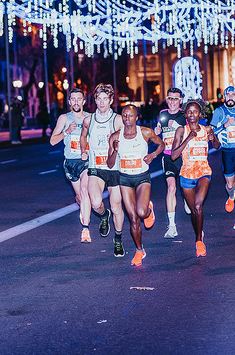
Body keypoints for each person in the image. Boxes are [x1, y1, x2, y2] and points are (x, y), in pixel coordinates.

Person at [107, 105, 164, 265]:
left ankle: (149, 211)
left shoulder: (145, 132)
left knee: (141, 211)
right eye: (124, 115)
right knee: (133, 218)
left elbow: (161, 145)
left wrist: (152, 155)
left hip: (142, 178)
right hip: (125, 179)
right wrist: (115, 151)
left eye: (130, 115)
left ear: (136, 117)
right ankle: (140, 250)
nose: (127, 119)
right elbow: (110, 164)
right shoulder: (115, 137)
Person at [80, 83, 125, 257]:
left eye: (105, 99)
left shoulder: (118, 120)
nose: (101, 102)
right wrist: (84, 150)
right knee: (96, 203)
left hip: (114, 168)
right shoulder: (88, 120)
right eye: (98, 99)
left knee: (116, 207)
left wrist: (116, 143)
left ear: (111, 100)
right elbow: (83, 136)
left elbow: (130, 136)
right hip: (96, 167)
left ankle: (118, 240)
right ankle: (103, 216)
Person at [171, 99, 220, 257]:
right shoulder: (181, 131)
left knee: (198, 206)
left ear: (200, 114)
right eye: (189, 111)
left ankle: (199, 240)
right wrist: (188, 139)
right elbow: (173, 156)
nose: (192, 114)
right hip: (186, 173)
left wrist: (213, 138)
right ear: (185, 114)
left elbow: (217, 146)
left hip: (203, 171)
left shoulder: (206, 129)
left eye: (195, 112)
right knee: (194, 211)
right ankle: (199, 231)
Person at [50, 88, 92, 243]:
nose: (76, 102)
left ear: (84, 101)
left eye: (78, 99)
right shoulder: (64, 118)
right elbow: (53, 141)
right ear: (69, 102)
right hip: (70, 162)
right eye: (73, 99)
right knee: (81, 197)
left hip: (86, 161)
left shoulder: (90, 117)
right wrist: (67, 131)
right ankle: (83, 208)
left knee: (84, 190)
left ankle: (85, 230)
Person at [210, 86, 235, 231]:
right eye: (228, 94)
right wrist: (225, 125)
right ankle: (231, 195)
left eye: (233, 94)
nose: (231, 96)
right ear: (225, 97)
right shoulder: (219, 112)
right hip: (227, 152)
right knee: (231, 185)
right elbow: (211, 133)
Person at [154, 87, 187, 238]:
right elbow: (159, 133)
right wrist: (156, 133)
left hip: (184, 156)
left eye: (176, 99)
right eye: (170, 98)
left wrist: (178, 127)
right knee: (171, 187)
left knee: (185, 188)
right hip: (167, 157)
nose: (173, 102)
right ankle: (172, 226)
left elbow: (190, 132)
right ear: (167, 99)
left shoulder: (184, 114)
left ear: (180, 101)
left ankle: (187, 200)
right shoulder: (162, 114)